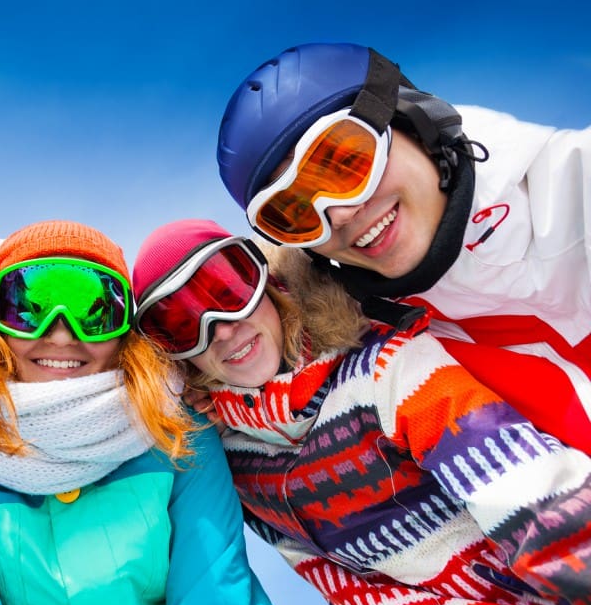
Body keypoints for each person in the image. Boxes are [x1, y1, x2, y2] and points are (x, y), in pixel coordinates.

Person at [132, 218, 591, 605]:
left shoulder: (387, 371)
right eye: (182, 325)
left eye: (230, 291)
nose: (223, 328)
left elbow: (529, 493)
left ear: (270, 285)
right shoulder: (226, 455)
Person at [0, 220, 283, 605]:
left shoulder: (176, 428)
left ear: (124, 333)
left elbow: (216, 602)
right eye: (29, 308)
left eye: (94, 310)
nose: (61, 333)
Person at [215, 42, 591, 451]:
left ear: (415, 121)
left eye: (346, 163)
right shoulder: (379, 337)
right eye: (295, 213)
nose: (338, 214)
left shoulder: (574, 188)